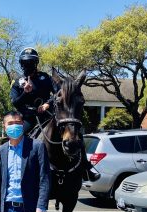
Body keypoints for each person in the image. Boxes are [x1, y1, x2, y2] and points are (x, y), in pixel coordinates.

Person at [10, 47, 100, 182]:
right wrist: (25, 93)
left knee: (74, 132)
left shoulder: (45, 78)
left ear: (36, 63)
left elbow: (60, 93)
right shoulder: (18, 82)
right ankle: (17, 169)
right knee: (19, 135)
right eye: (26, 62)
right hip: (28, 117)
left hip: (47, 115)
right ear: (22, 64)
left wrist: (48, 103)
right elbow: (15, 103)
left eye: (31, 62)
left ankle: (86, 166)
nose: (28, 65)